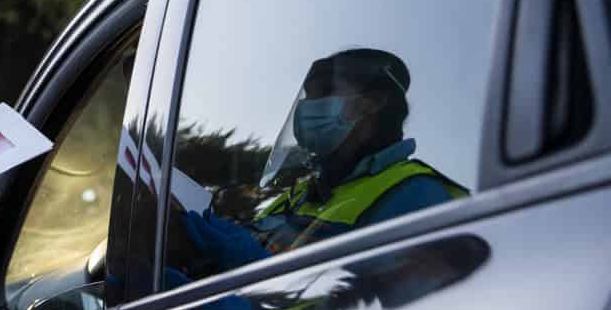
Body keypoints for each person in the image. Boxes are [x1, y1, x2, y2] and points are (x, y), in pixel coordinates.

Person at [180, 47, 468, 273]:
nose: (308, 106)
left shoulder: (416, 195)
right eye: (307, 96)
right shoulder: (300, 196)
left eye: (324, 93)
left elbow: (386, 303)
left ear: (372, 103)